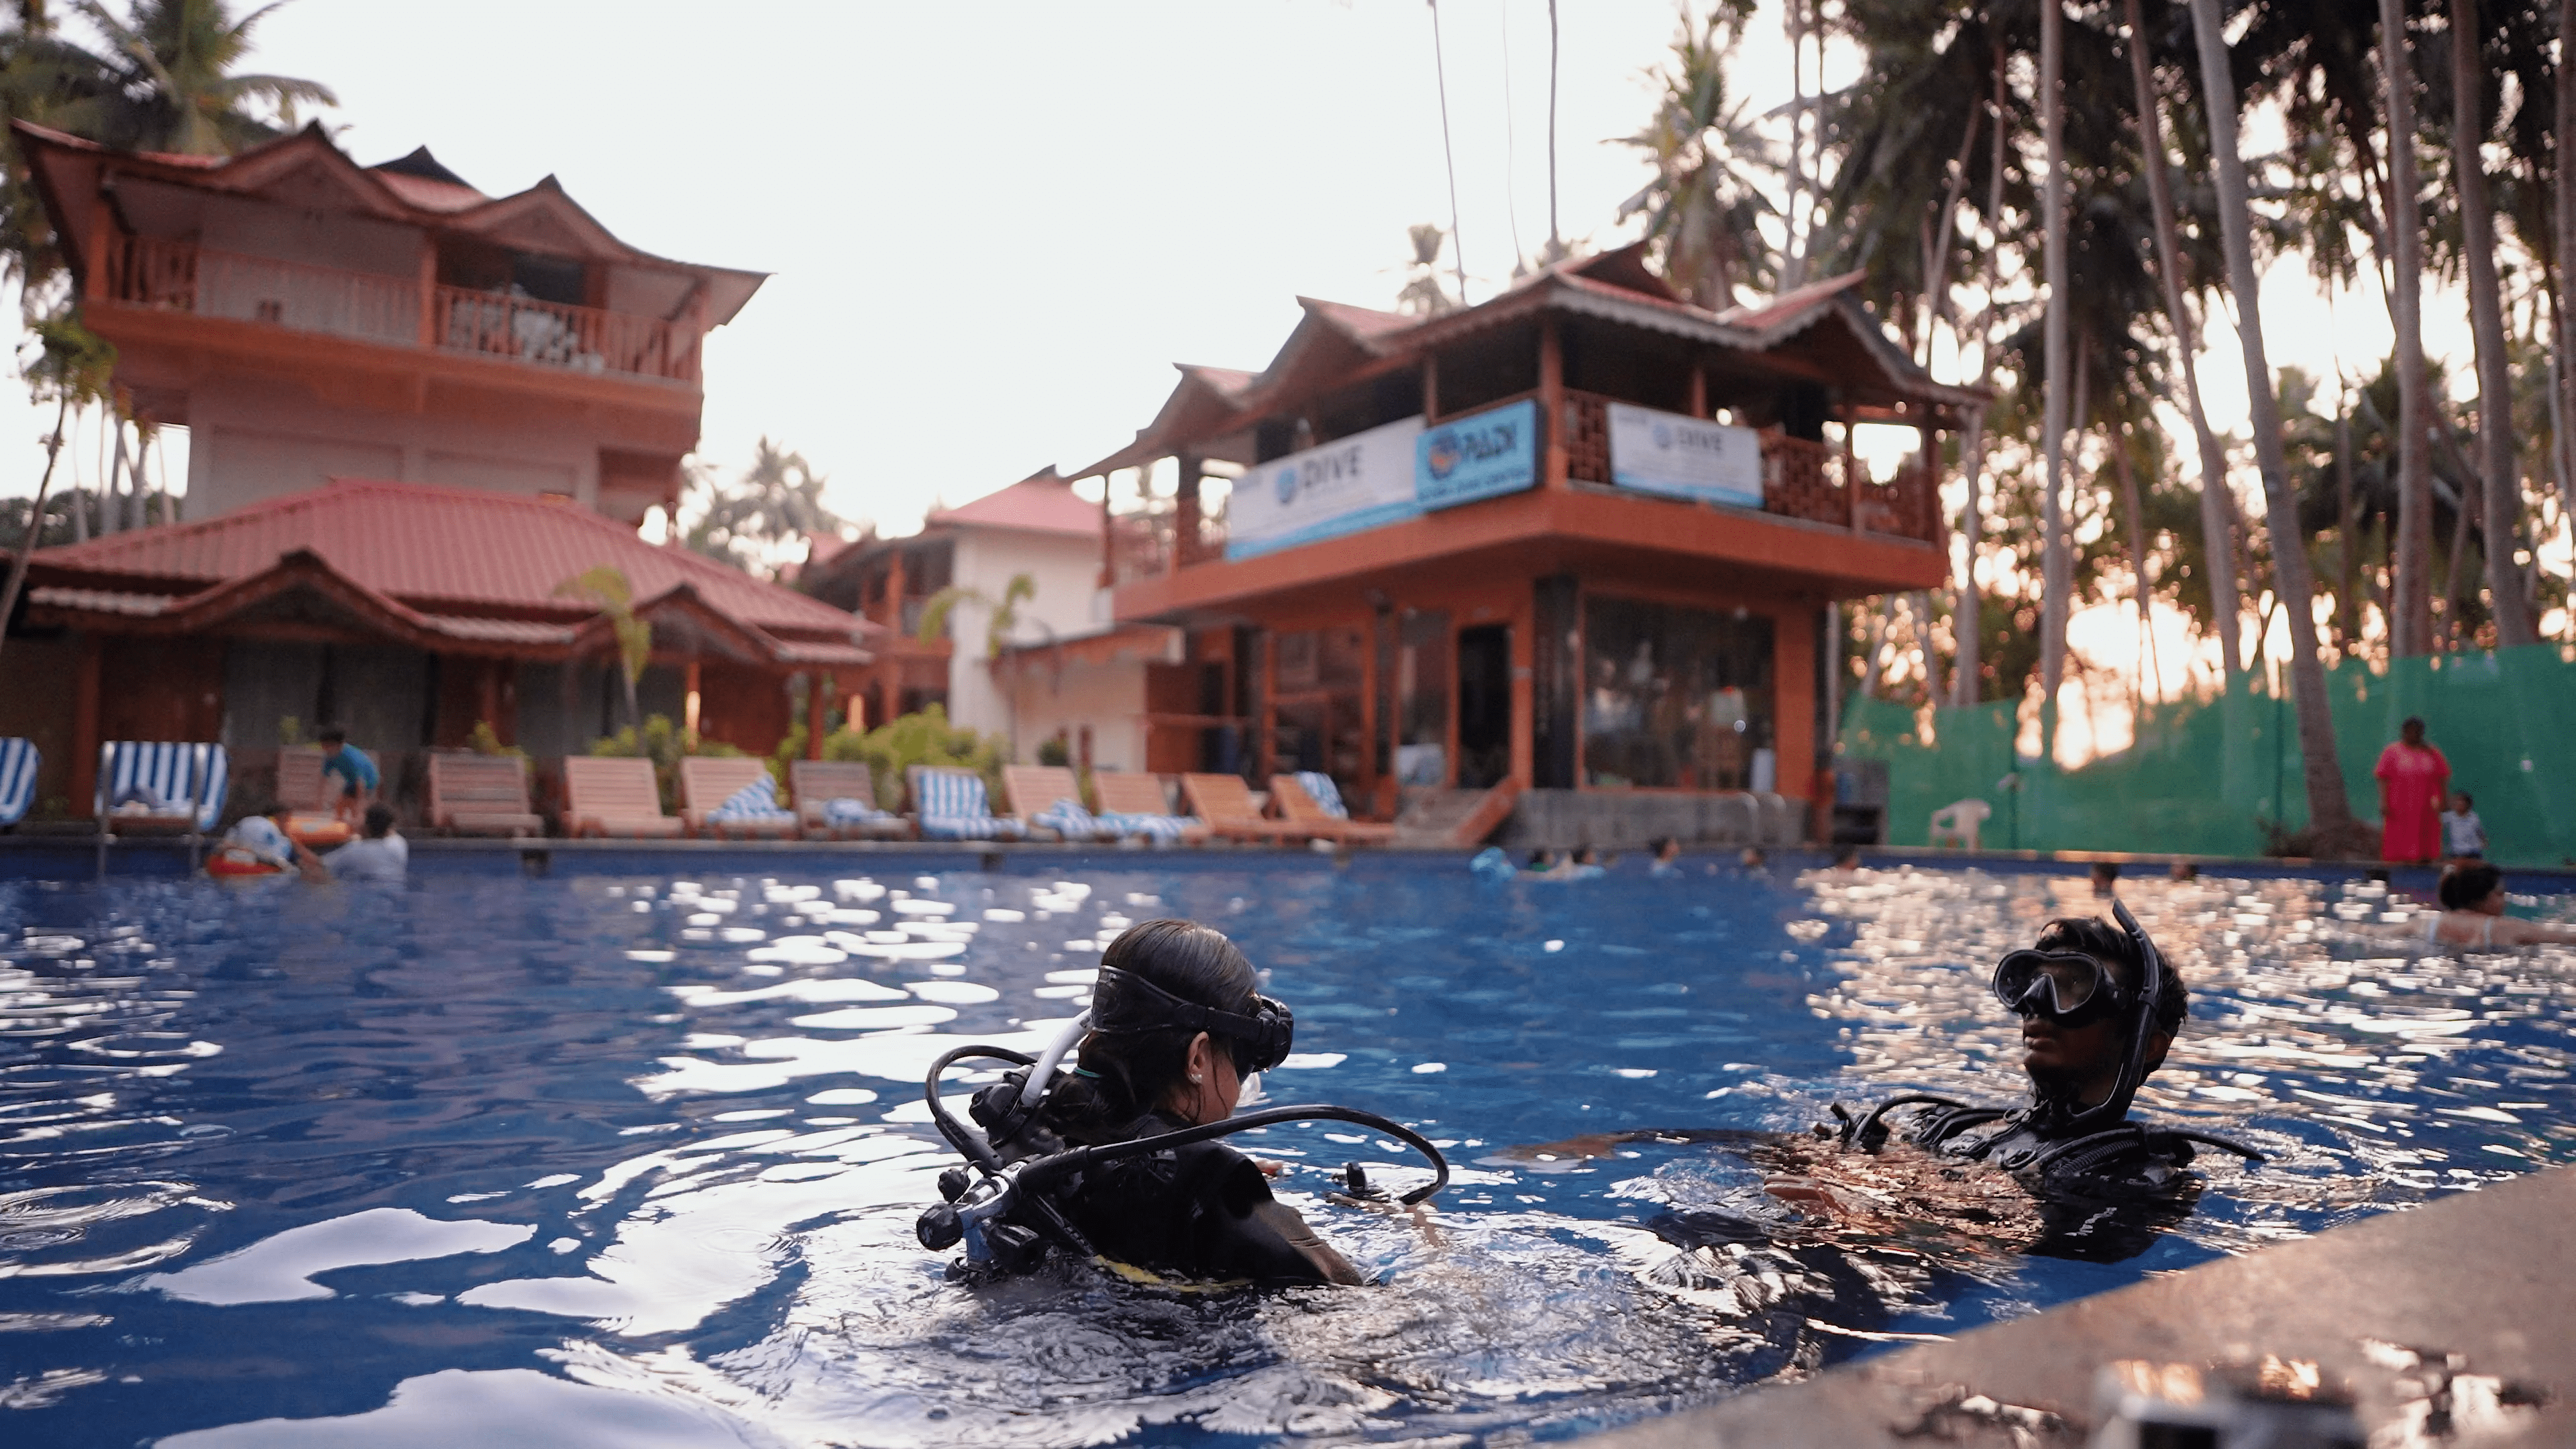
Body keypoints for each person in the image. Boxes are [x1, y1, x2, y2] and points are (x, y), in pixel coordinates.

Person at [963, 920, 1364, 1286]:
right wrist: (1412, 1221)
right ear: (1197, 1058)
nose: (1245, 1078)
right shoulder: (1214, 1182)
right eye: (1242, 1057)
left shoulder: (1038, 1130)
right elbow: (1365, 1312)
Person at [2421, 862, 2576, 947]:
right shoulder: (2505, 927)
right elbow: (2566, 938)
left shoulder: (2427, 925)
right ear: (2481, 898)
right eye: (2500, 893)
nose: (2505, 900)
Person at [2374, 717, 2449, 865]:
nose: (2413, 735)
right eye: (2410, 732)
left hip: (2426, 807)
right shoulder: (2392, 751)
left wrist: (2444, 801)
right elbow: (2382, 778)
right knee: (2397, 841)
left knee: (2426, 841)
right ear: (2404, 732)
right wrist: (2383, 801)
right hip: (2398, 806)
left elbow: (2442, 777)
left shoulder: (2432, 752)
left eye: (2417, 732)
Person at [321, 803, 408, 884]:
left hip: (364, 893)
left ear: (367, 827)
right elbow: (390, 831)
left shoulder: (355, 851)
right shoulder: (400, 844)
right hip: (393, 888)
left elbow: (321, 865)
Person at [316, 726, 379, 826]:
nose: (324, 749)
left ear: (338, 745)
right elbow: (323, 779)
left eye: (327, 746)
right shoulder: (330, 756)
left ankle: (359, 826)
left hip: (368, 781)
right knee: (340, 805)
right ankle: (339, 825)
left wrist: (359, 808)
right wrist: (319, 802)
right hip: (352, 782)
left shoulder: (352, 758)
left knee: (355, 809)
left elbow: (361, 785)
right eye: (323, 746)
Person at [2440, 791, 2486, 862]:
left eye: (2461, 802)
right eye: (2457, 802)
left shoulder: (2474, 818)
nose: (2459, 804)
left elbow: (2481, 835)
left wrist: (2482, 844)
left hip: (2472, 854)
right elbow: (2436, 821)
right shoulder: (2450, 816)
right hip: (2456, 854)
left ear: (2467, 804)